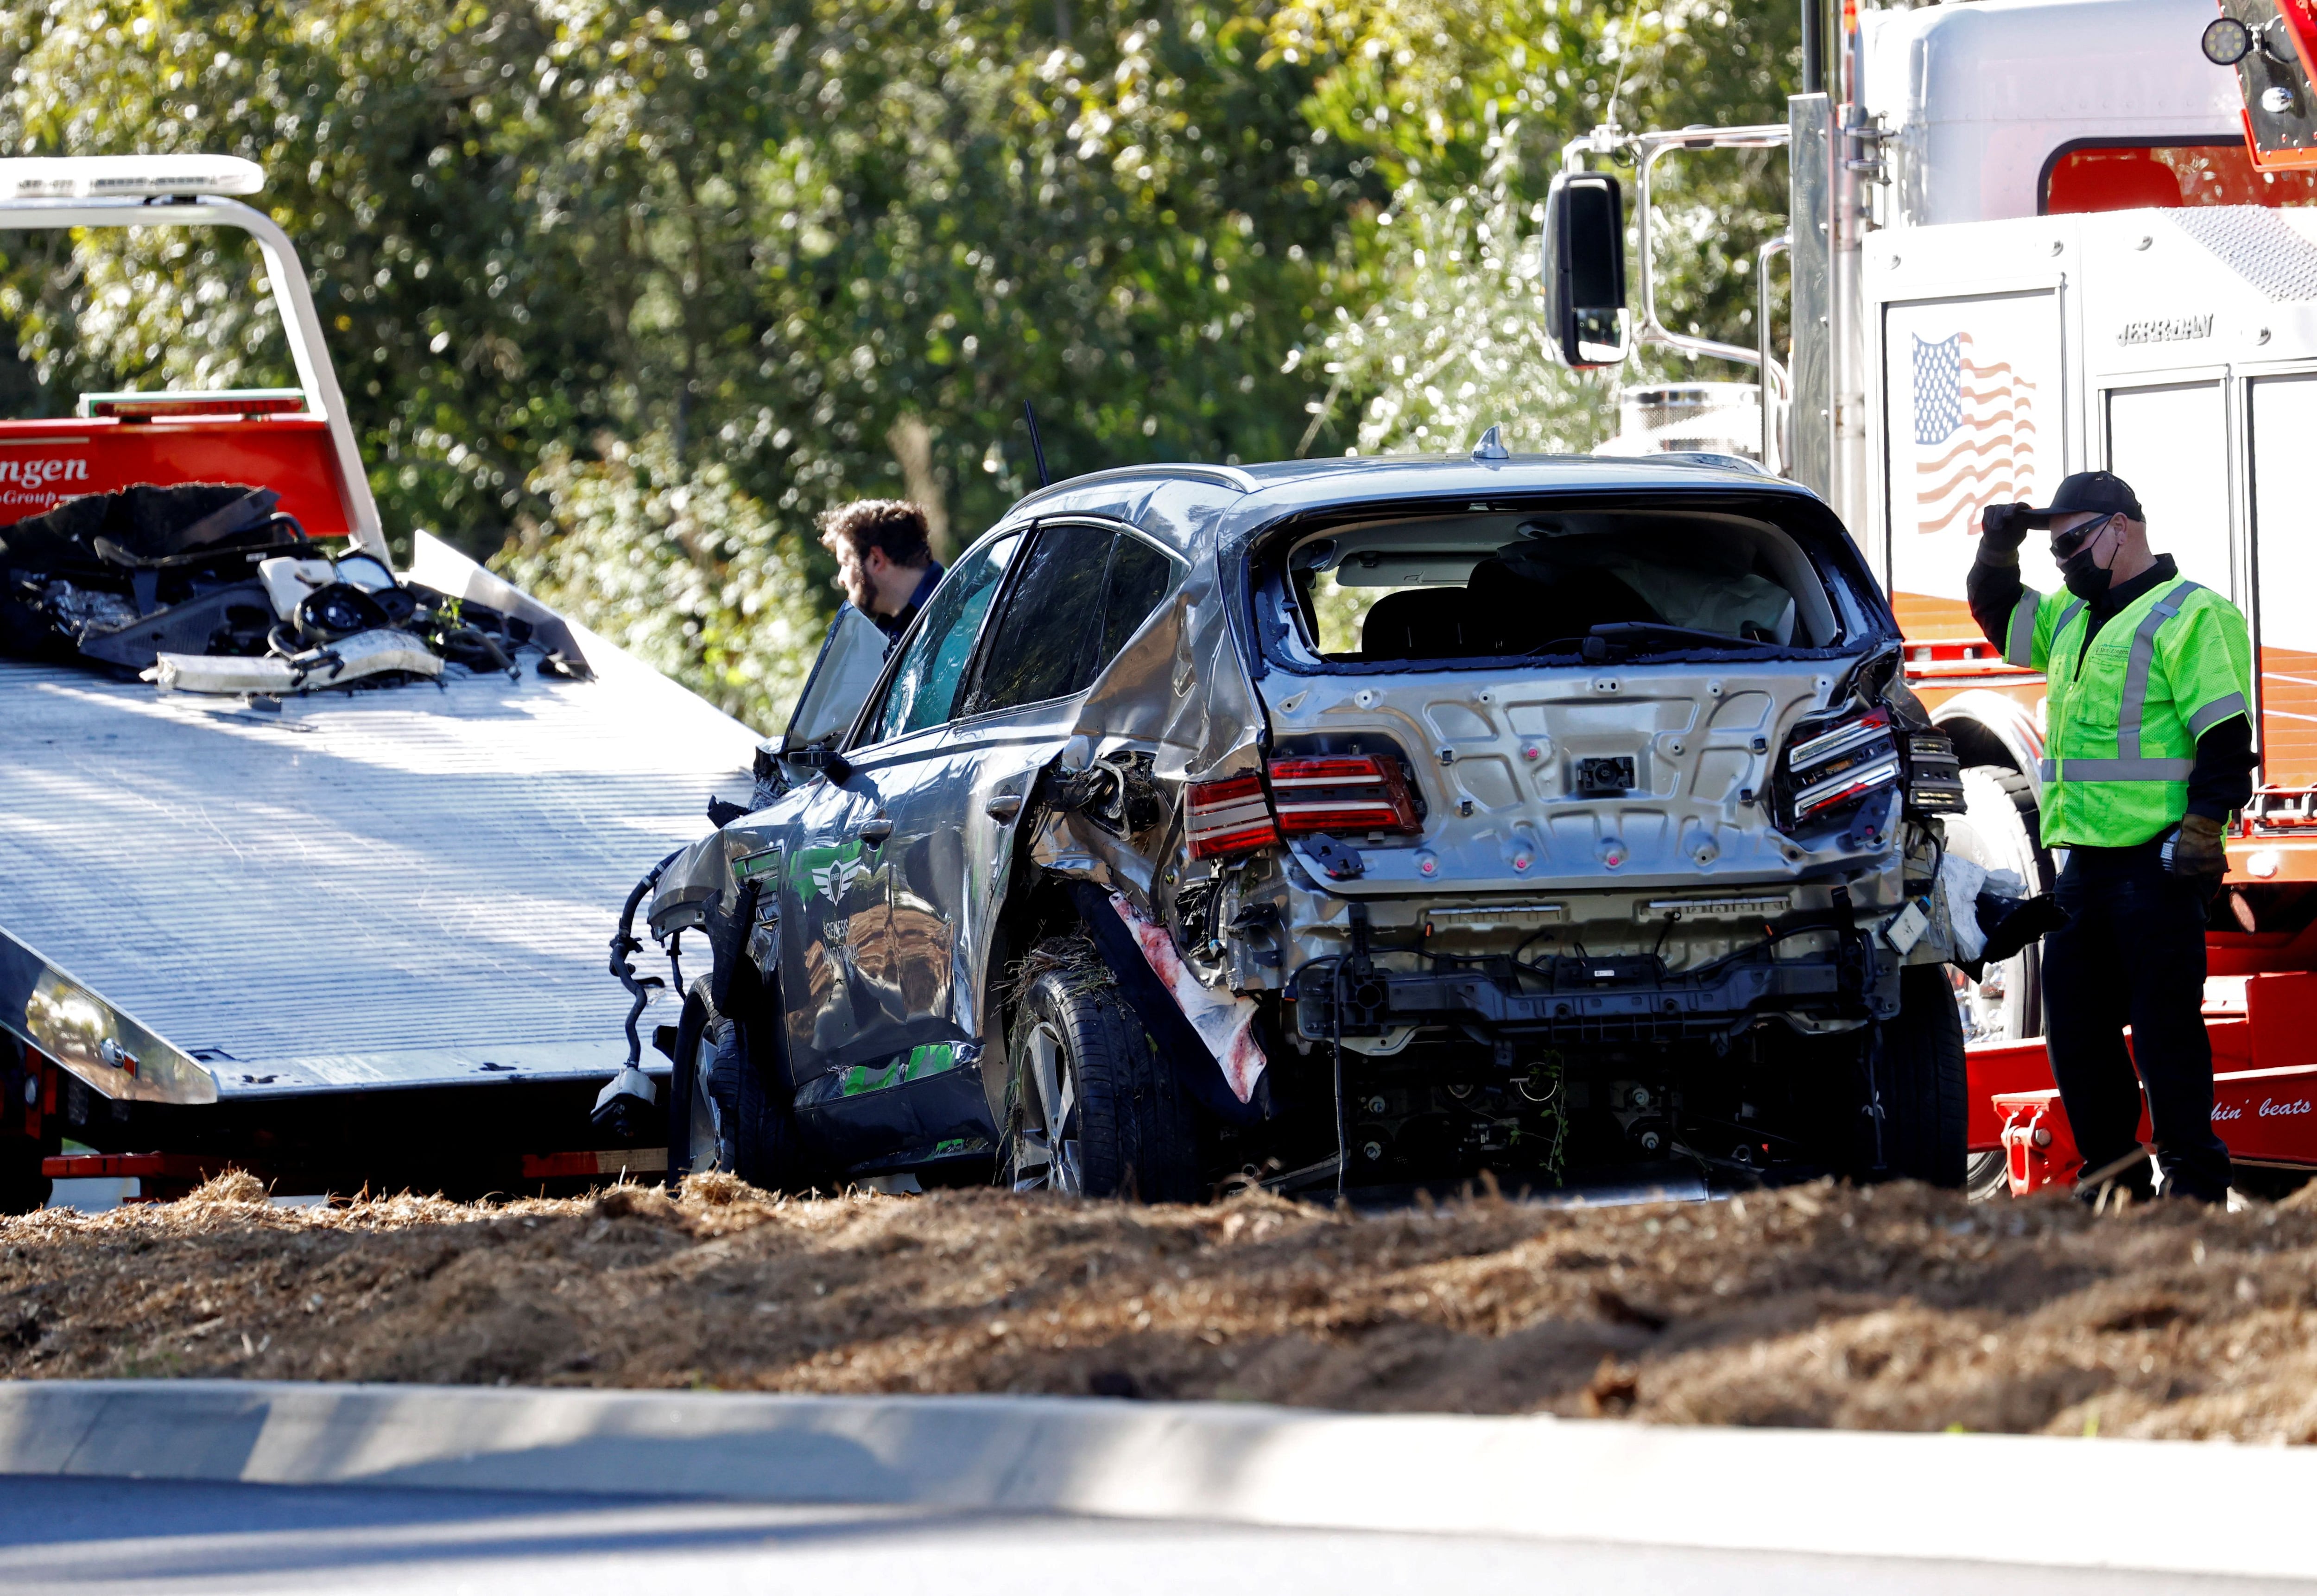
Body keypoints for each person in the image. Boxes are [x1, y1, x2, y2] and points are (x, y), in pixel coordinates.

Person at [1970, 471, 2256, 1203]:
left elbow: (2225, 738)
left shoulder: (2191, 616)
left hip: (2155, 868)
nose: (2061, 559)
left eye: (2072, 542)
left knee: (2167, 1042)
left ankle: (2192, 1197)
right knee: (2080, 1041)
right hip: (2082, 872)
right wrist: (1997, 551)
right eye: (2054, 546)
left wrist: (2203, 827)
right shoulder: (2071, 614)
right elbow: (2001, 613)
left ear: (2121, 528)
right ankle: (2117, 1192)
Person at [818, 499, 944, 644]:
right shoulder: (884, 635)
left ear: (876, 559)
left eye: (846, 563)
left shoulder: (960, 604)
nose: (841, 579)